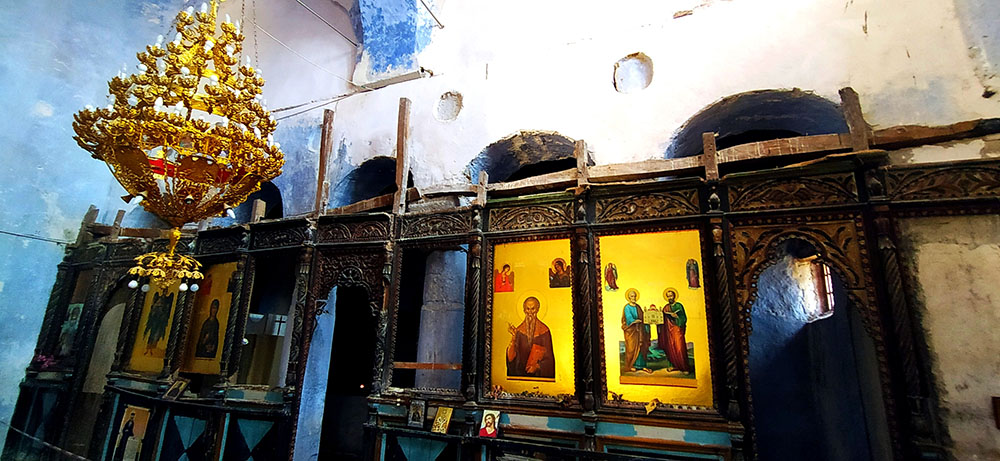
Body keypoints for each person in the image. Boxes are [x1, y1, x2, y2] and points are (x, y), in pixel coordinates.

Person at [506, 296, 555, 378]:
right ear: (524, 310)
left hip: (538, 378)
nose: (530, 312)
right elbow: (511, 359)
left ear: (538, 309)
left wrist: (538, 366)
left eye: (533, 309)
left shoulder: (544, 331)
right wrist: (513, 338)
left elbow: (549, 360)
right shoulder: (519, 331)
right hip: (521, 376)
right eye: (527, 309)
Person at [658, 289, 691, 372]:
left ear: (674, 296)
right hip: (669, 332)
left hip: (677, 330)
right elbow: (662, 319)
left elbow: (684, 318)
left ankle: (684, 367)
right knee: (670, 348)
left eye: (671, 296)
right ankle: (673, 366)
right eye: (668, 296)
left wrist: (677, 317)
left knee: (679, 347)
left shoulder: (679, 306)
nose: (670, 298)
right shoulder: (666, 307)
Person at [621, 289, 651, 373]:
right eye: (632, 296)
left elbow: (643, 317)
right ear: (629, 298)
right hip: (631, 331)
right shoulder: (627, 307)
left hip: (640, 331)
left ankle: (642, 366)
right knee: (631, 348)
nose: (633, 298)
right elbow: (628, 318)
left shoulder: (638, 307)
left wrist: (648, 320)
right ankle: (631, 366)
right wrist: (634, 321)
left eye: (634, 296)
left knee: (641, 347)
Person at [143, 290, 174, 356]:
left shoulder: (167, 300)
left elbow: (167, 310)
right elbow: (153, 307)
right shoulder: (158, 299)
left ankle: (152, 349)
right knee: (152, 334)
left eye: (165, 292)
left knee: (157, 335)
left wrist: (163, 314)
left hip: (161, 320)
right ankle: (148, 349)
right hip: (155, 319)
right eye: (164, 291)